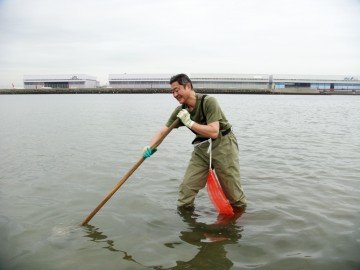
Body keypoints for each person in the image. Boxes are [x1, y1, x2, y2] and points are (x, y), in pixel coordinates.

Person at [143, 73, 246, 211]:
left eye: (177, 89)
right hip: (202, 147)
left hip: (223, 145)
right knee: (186, 190)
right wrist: (150, 146)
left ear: (188, 86)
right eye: (172, 91)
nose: (174, 94)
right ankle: (188, 225)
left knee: (233, 194)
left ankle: (242, 222)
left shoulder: (209, 102)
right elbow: (164, 130)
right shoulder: (181, 111)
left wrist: (190, 123)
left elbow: (214, 131)